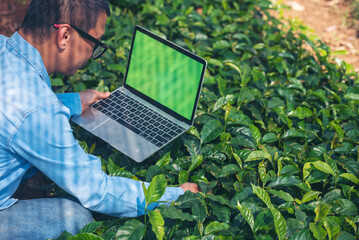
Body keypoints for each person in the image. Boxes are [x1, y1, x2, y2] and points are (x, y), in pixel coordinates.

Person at [0, 0, 198, 239]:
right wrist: (177, 195)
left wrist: (72, 103)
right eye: (95, 43)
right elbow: (96, 190)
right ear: (64, 35)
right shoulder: (38, 112)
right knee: (73, 218)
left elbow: (18, 113)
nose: (94, 54)